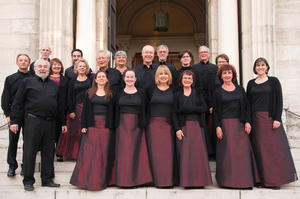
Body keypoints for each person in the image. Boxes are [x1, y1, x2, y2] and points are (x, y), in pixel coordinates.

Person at [10, 59, 66, 191]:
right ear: (34, 68)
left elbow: (59, 106)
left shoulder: (53, 85)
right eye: (40, 66)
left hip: (50, 122)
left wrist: (62, 122)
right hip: (33, 121)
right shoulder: (26, 82)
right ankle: (28, 180)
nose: (42, 69)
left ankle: (47, 179)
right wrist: (14, 121)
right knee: (30, 151)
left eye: (45, 67)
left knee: (48, 151)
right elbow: (17, 103)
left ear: (49, 69)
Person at [246, 57, 298, 189]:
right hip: (256, 121)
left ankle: (274, 180)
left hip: (270, 120)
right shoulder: (251, 83)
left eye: (262, 65)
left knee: (273, 150)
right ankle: (261, 180)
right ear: (255, 68)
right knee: (260, 151)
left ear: (267, 67)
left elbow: (279, 100)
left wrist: (277, 118)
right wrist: (248, 121)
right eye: (258, 65)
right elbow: (248, 104)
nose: (260, 67)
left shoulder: (274, 81)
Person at [213, 64, 259, 189]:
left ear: (233, 75)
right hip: (225, 125)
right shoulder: (217, 91)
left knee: (242, 153)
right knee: (228, 154)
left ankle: (244, 181)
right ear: (221, 76)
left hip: (240, 124)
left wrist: (248, 122)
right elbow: (216, 111)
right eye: (224, 73)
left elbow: (247, 106)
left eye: (229, 73)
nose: (227, 75)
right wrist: (218, 126)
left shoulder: (240, 89)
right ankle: (227, 181)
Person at [70, 71, 114, 190]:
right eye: (98, 77)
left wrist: (112, 127)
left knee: (103, 153)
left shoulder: (111, 94)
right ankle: (86, 180)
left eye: (103, 77)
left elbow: (114, 112)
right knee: (90, 152)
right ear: (95, 79)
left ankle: (102, 180)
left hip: (105, 126)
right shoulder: (89, 93)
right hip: (92, 125)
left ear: (107, 79)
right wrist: (84, 125)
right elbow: (84, 111)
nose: (101, 78)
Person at [173, 70, 212, 188]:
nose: (187, 80)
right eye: (185, 78)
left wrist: (187, 108)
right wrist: (177, 129)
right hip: (183, 127)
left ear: (193, 80)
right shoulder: (177, 94)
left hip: (196, 126)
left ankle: (200, 182)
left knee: (198, 154)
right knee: (185, 154)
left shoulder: (198, 93)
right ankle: (187, 182)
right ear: (181, 80)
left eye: (189, 78)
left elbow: (204, 108)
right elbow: (174, 113)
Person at [114, 69, 152, 187]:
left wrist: (144, 123)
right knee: (123, 153)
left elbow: (146, 109)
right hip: (122, 125)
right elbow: (115, 110)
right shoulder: (118, 92)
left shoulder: (141, 92)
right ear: (124, 79)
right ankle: (123, 180)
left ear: (135, 79)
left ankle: (135, 180)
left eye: (132, 77)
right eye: (127, 77)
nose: (129, 79)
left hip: (137, 125)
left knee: (136, 153)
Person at [1, 54, 32, 177]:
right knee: (13, 141)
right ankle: (12, 166)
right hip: (15, 115)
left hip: (30, 114)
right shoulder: (10, 79)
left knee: (28, 142)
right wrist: (8, 115)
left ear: (29, 63)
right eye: (21, 60)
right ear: (17, 62)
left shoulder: (33, 78)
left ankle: (26, 166)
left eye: (26, 61)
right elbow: (5, 99)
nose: (23, 62)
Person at [146, 65, 175, 187]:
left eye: (166, 74)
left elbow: (176, 109)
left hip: (169, 126)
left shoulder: (174, 90)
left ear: (169, 76)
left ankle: (167, 181)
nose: (163, 76)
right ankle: (156, 180)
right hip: (153, 126)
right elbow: (145, 107)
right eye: (161, 74)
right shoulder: (150, 89)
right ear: (157, 76)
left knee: (168, 154)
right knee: (155, 154)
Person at [59, 59, 92, 159]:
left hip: (86, 109)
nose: (82, 68)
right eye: (80, 66)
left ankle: (83, 153)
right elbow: (69, 96)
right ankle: (73, 154)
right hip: (75, 108)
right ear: (76, 68)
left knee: (84, 132)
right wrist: (71, 110)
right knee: (73, 132)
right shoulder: (72, 81)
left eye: (84, 66)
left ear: (86, 69)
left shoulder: (90, 80)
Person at [193, 45, 218, 156]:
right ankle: (202, 152)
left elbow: (216, 87)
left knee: (212, 127)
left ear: (209, 54)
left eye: (205, 52)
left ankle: (213, 153)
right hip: (198, 103)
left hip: (212, 103)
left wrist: (213, 104)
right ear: (199, 54)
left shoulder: (215, 68)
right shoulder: (194, 68)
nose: (203, 54)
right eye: (201, 52)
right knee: (201, 127)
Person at [49, 58, 68, 162]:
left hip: (61, 108)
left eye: (59, 65)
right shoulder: (46, 78)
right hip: (48, 108)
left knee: (60, 131)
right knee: (49, 131)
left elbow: (67, 94)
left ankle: (59, 153)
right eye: (54, 65)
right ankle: (48, 152)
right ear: (51, 67)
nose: (57, 67)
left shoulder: (65, 79)